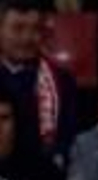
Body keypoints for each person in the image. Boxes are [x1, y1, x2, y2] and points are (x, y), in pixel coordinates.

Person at [0, 0, 78, 166]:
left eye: (35, 29)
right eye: (18, 28)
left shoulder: (62, 81)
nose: (28, 37)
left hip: (40, 176)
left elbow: (68, 141)